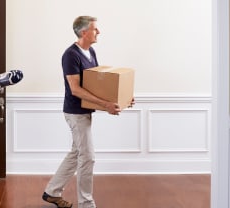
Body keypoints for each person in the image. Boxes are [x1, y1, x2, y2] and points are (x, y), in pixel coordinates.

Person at [42, 16, 134, 208]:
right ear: (84, 32)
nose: (98, 32)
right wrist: (106, 104)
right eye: (95, 29)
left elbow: (95, 84)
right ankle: (86, 204)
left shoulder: (90, 51)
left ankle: (52, 191)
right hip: (75, 113)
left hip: (85, 112)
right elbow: (75, 89)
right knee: (88, 157)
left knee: (76, 153)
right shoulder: (71, 55)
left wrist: (119, 100)